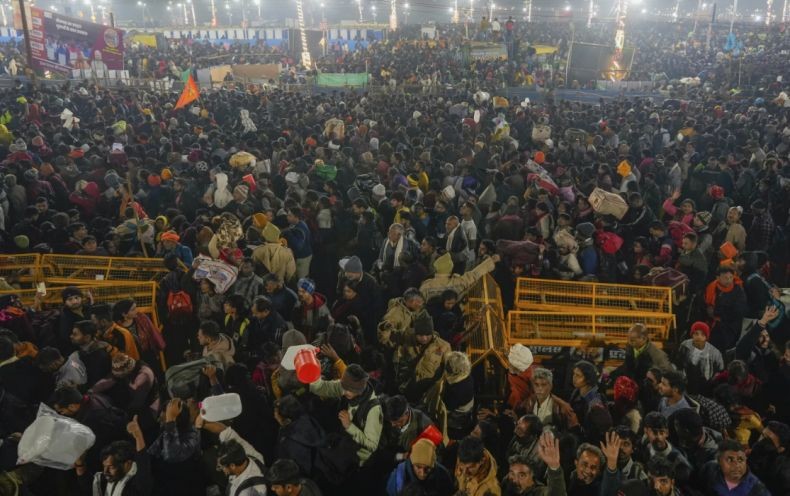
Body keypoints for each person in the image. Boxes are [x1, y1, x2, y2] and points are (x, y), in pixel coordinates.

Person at [309, 363, 383, 466]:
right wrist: (314, 370)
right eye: (343, 388)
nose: (343, 392)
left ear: (359, 391)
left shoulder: (373, 410)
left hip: (357, 458)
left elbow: (372, 445)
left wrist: (349, 426)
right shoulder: (346, 385)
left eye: (348, 391)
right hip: (343, 441)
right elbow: (319, 388)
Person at [79, 415, 152, 496]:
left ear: (128, 463)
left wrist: (138, 437)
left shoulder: (136, 484)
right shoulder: (107, 478)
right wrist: (80, 465)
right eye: (104, 466)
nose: (105, 471)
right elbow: (88, 487)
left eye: (111, 467)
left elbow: (143, 467)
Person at [501, 432, 568, 496]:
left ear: (532, 476)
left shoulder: (540, 492)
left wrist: (554, 467)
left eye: (521, 475)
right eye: (512, 473)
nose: (515, 480)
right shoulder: (507, 483)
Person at [700, 440, 771, 496]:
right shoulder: (710, 468)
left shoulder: (757, 489)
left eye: (740, 459)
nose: (736, 465)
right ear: (719, 461)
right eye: (729, 460)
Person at [386, 438, 454, 496]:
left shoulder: (443, 476)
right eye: (418, 467)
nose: (422, 473)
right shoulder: (397, 480)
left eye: (428, 468)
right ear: (412, 463)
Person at [705, 265, 747, 352]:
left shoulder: (738, 291)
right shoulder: (712, 287)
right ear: (718, 277)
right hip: (712, 323)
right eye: (725, 278)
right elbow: (705, 304)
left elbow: (738, 312)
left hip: (730, 327)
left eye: (731, 277)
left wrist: (716, 312)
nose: (729, 280)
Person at [522, 367, 578, 431]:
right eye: (536, 384)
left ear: (550, 386)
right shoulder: (529, 401)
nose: (539, 388)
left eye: (543, 385)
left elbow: (574, 430)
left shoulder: (562, 407)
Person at [676, 321, 724, 394]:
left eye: (702, 334)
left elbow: (720, 370)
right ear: (692, 335)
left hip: (706, 386)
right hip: (687, 382)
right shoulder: (685, 345)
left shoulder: (715, 353)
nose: (699, 337)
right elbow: (679, 362)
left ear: (706, 337)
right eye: (696, 334)